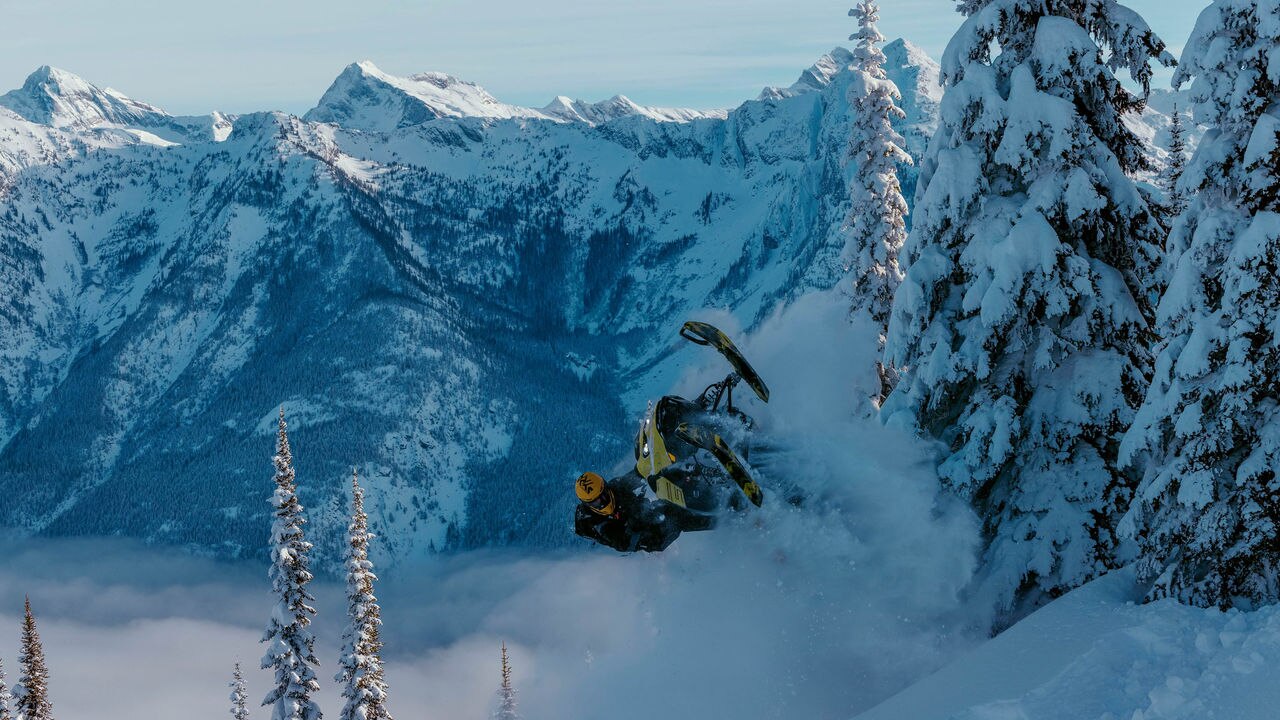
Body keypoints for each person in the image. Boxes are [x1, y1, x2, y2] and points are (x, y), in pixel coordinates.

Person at [574, 470, 715, 553]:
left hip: (632, 514)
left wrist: (648, 469)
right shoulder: (595, 523)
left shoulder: (616, 487)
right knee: (674, 518)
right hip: (632, 538)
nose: (601, 502)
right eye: (595, 502)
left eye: (603, 495)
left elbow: (637, 475)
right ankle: (719, 520)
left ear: (606, 487)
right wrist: (638, 529)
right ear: (587, 503)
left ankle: (703, 476)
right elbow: (623, 543)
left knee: (664, 479)